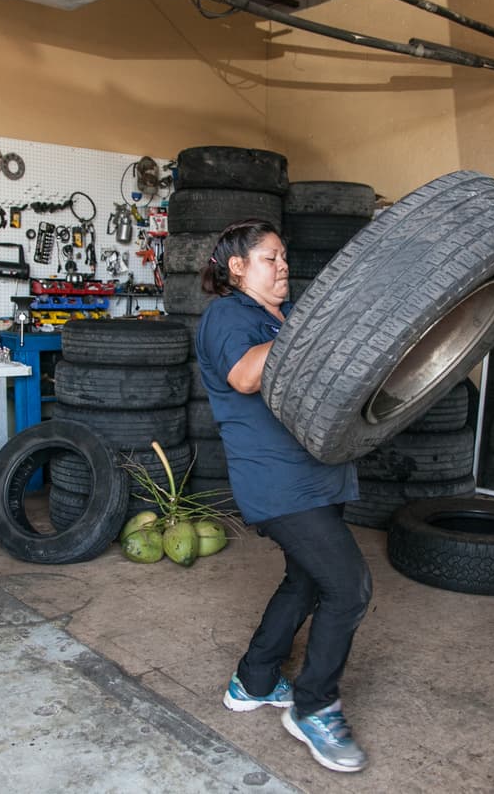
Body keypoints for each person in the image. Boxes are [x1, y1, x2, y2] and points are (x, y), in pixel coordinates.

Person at [195, 218, 371, 773]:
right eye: (271, 257)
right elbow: (247, 376)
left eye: (285, 257)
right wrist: (305, 335)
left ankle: (255, 680)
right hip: (278, 481)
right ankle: (315, 706)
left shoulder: (286, 316)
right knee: (350, 586)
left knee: (307, 581)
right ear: (237, 267)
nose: (284, 266)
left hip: (319, 471)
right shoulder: (227, 315)